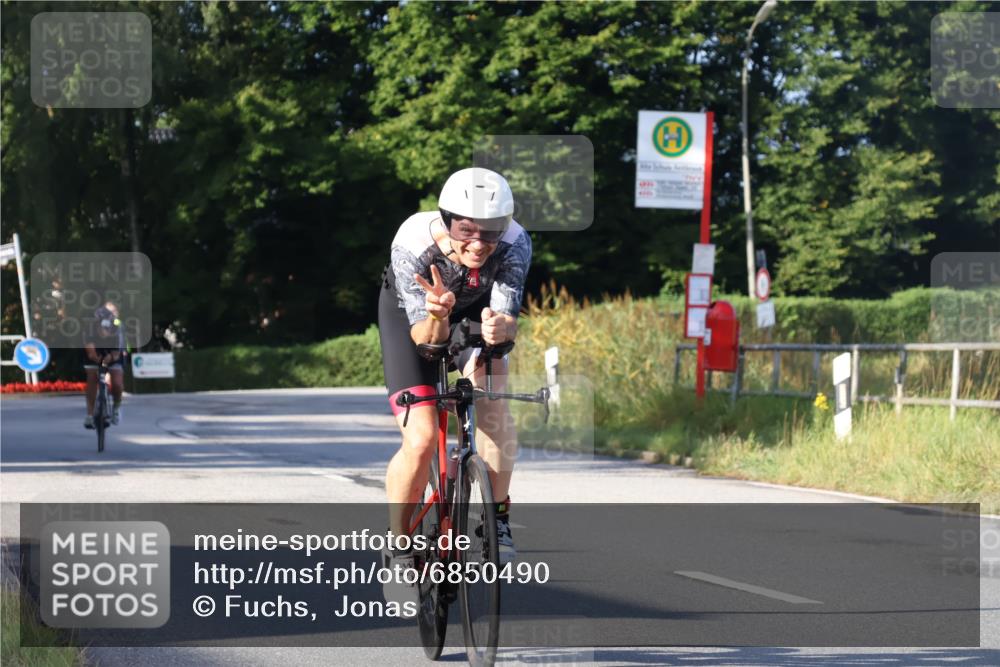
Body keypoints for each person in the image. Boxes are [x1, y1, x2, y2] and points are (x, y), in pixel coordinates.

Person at [378, 167, 531, 580]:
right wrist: (438, 315)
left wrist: (503, 329)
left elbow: (505, 318)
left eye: (491, 232)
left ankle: (496, 519)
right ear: (448, 221)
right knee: (422, 438)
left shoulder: (516, 242)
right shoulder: (414, 242)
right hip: (417, 316)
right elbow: (426, 341)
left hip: (474, 315)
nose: (478, 243)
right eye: (466, 230)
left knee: (494, 406)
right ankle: (399, 544)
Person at [83, 304, 126, 428]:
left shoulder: (117, 329)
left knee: (117, 383)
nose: (104, 332)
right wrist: (97, 359)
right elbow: (90, 352)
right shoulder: (89, 329)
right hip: (95, 353)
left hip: (112, 353)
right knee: (92, 379)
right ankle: (90, 415)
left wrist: (110, 358)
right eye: (101, 328)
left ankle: (116, 408)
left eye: (107, 329)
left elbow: (116, 354)